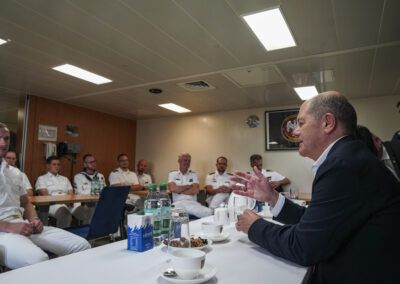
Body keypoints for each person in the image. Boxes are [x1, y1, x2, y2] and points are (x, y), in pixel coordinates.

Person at [231, 92, 400, 283]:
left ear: (328, 123)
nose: (294, 132)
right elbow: (315, 224)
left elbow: (304, 246)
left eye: (301, 123)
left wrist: (255, 226)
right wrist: (272, 197)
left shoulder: (342, 165)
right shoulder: (349, 157)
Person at [0, 122, 90, 269]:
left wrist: (34, 219)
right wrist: (9, 226)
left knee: (81, 246)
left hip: (23, 224)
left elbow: (26, 203)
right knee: (39, 261)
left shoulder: (15, 173)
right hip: (3, 231)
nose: (3, 143)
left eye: (7, 138)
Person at [36, 156, 90, 228]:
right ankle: (62, 236)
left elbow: (71, 193)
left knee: (86, 210)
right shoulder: (42, 178)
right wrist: (63, 201)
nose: (57, 166)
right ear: (48, 166)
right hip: (52, 203)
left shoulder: (65, 179)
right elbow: (45, 195)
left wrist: (70, 201)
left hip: (68, 202)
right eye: (54, 164)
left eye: (58, 164)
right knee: (64, 213)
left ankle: (85, 232)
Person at [168, 153, 212, 218]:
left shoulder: (193, 175)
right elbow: (172, 189)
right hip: (178, 203)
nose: (187, 162)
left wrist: (179, 190)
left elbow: (196, 190)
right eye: (185, 160)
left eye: (189, 161)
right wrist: (188, 186)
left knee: (209, 212)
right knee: (175, 215)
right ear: (179, 161)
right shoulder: (172, 174)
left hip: (192, 203)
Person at [73, 154, 106, 222]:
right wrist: (96, 192)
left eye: (94, 161)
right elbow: (80, 193)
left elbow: (105, 190)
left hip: (99, 202)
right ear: (85, 164)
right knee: (93, 207)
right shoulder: (78, 177)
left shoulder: (100, 176)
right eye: (91, 162)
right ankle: (89, 231)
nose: (93, 164)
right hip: (85, 203)